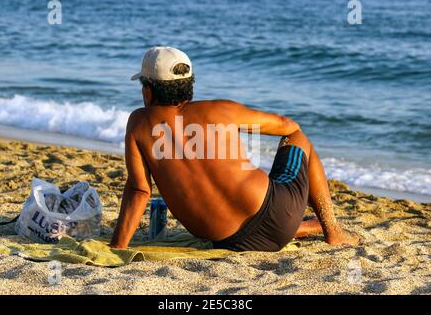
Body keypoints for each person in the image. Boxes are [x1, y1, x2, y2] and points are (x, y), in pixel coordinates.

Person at [110, 46, 359, 251]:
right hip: (278, 215)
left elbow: (139, 190)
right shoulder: (221, 110)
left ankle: (303, 226)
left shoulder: (139, 123)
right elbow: (289, 126)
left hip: (230, 242)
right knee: (299, 139)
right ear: (189, 86)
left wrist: (118, 247)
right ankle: (332, 231)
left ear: (149, 90)